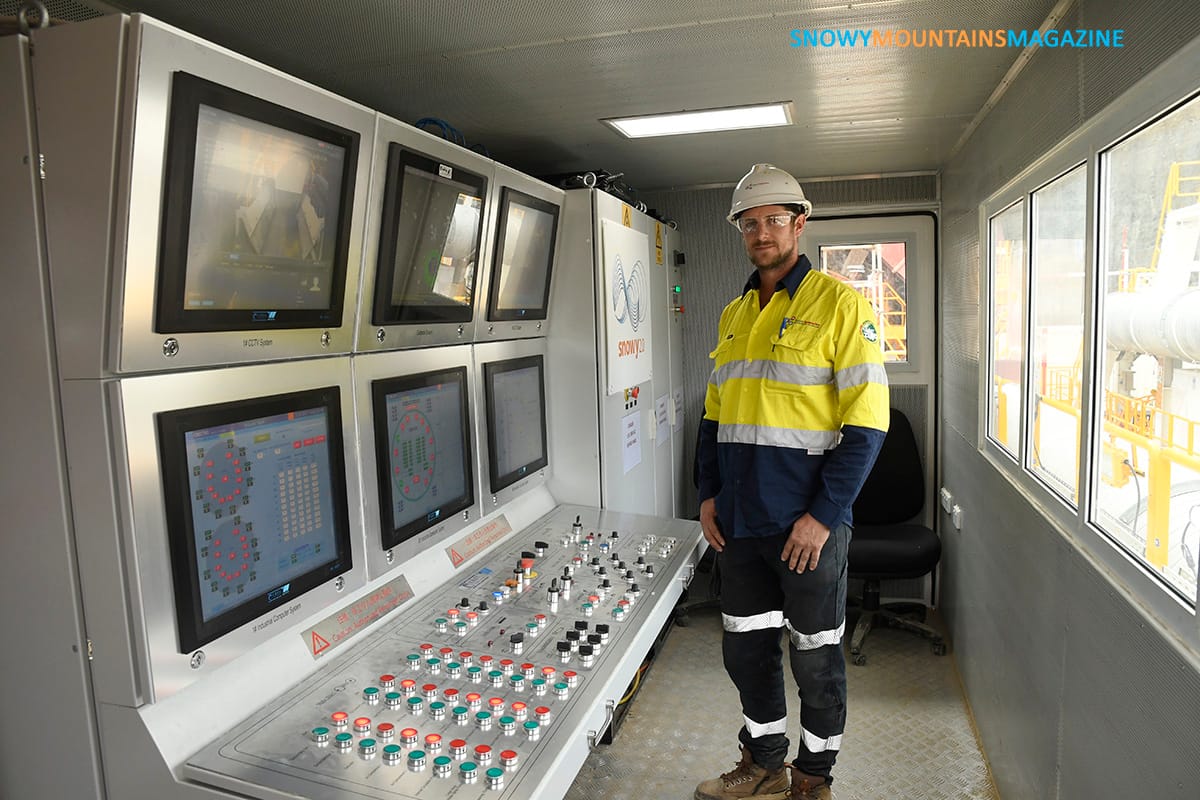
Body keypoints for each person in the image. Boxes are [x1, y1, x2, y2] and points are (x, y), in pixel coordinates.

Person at [693, 164, 890, 800]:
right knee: (746, 653)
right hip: (740, 523)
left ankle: (813, 778)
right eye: (749, 223)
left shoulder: (840, 306)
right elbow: (714, 418)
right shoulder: (733, 314)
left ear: (799, 224)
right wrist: (707, 495)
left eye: (774, 219)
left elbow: (868, 425)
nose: (761, 232)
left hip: (807, 527)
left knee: (816, 658)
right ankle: (765, 764)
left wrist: (823, 515)